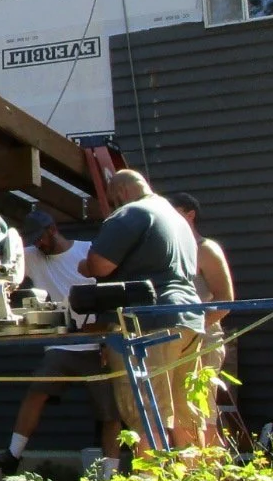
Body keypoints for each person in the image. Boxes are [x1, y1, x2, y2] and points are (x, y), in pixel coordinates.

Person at [79, 169, 203, 448]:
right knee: (185, 412)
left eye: (112, 201)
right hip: (188, 318)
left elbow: (100, 264)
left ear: (121, 192)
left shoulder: (131, 213)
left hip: (146, 325)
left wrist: (84, 266)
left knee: (147, 412)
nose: (113, 207)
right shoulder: (177, 219)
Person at [0, 210, 115, 473]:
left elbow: (110, 294)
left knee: (110, 411)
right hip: (62, 344)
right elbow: (1, 258)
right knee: (37, 388)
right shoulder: (33, 257)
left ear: (53, 229)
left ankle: (110, 475)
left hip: (97, 342)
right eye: (34, 241)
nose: (39, 245)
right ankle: (12, 455)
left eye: (41, 238)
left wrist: (107, 338)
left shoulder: (88, 251)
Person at [168, 192, 240, 447]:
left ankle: (217, 480)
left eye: (175, 213)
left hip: (205, 339)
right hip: (178, 341)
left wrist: (195, 329)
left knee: (203, 413)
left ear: (190, 215)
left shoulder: (206, 249)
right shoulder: (171, 252)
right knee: (182, 412)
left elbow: (225, 301)